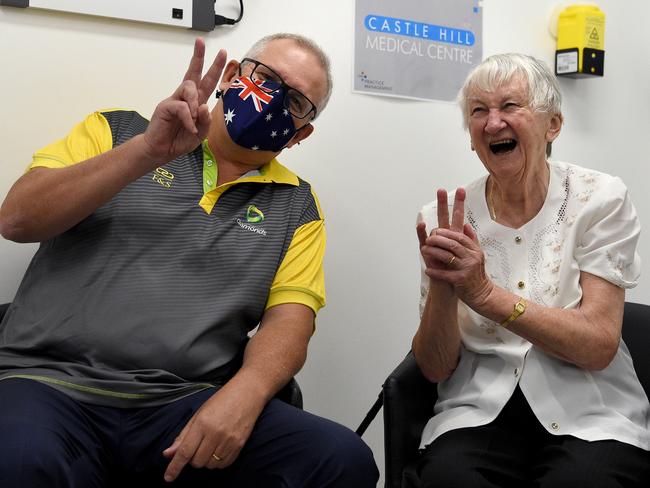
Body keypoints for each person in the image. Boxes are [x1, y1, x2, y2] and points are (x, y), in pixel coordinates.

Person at [0, 33, 378, 487]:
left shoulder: (298, 206)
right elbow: (17, 220)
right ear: (234, 76)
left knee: (340, 460)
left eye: (296, 101)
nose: (274, 100)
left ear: (302, 132)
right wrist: (145, 152)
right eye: (267, 79)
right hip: (49, 386)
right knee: (20, 461)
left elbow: (290, 322)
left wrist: (248, 394)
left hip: (182, 404)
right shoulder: (116, 130)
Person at [412, 53, 649, 487]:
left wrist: (484, 294)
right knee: (448, 478)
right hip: (478, 412)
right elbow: (434, 369)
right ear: (470, 136)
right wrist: (445, 289)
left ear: (553, 125)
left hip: (590, 412)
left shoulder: (600, 199)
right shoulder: (445, 217)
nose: (492, 122)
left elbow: (598, 345)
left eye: (510, 106)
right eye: (478, 111)